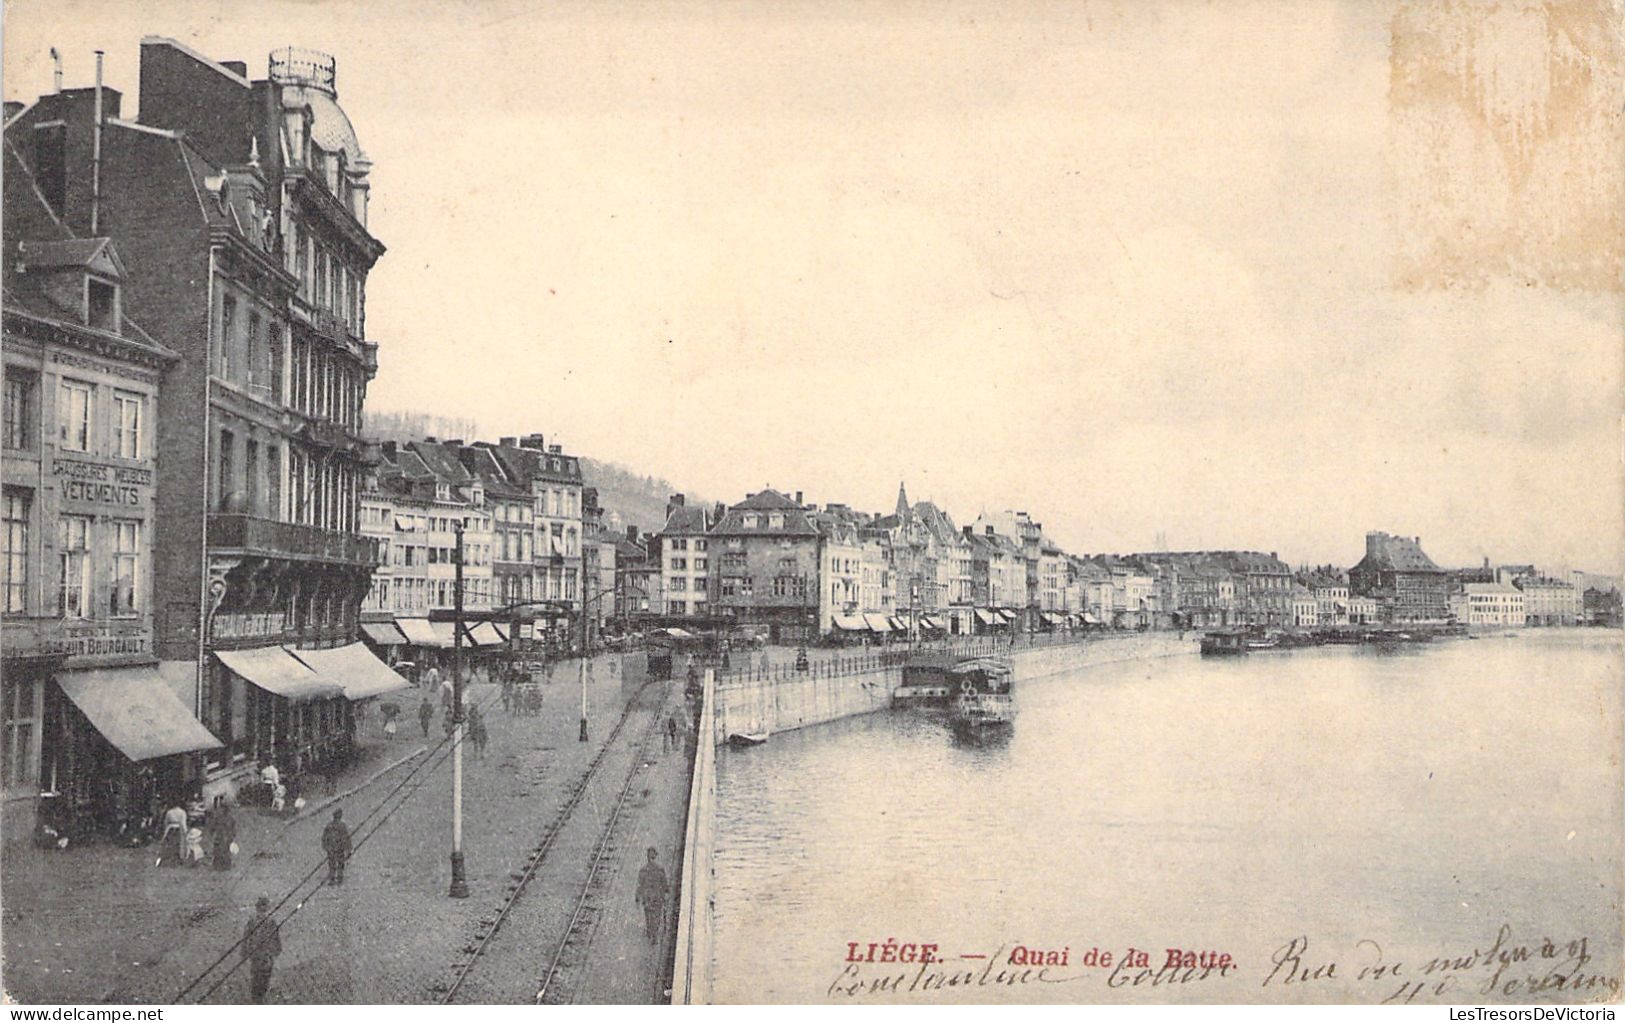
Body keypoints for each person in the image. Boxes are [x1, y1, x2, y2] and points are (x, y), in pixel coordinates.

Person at [242, 896, 282, 1004]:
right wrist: (277, 950)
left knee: (256, 975)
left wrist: (245, 951)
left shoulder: (252, 920)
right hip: (266, 954)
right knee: (265, 975)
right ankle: (261, 996)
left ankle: (256, 998)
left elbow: (246, 936)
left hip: (256, 954)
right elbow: (276, 937)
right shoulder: (270, 921)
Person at [635, 847, 668, 943]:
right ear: (655, 857)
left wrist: (637, 897)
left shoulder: (643, 870)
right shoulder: (660, 869)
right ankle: (655, 933)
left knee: (648, 914)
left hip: (647, 897)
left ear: (647, 857)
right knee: (657, 915)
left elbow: (640, 885)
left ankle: (650, 930)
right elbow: (665, 884)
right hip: (658, 896)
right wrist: (666, 893)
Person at [321, 808, 352, 886]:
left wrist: (326, 846)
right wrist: (348, 849)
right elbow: (346, 838)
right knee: (340, 863)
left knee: (332, 863)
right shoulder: (342, 826)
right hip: (338, 847)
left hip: (331, 848)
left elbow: (324, 838)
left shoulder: (329, 826)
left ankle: (333, 877)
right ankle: (338, 877)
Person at [209, 802, 237, 871]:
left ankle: (220, 866)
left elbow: (212, 828)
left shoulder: (219, 818)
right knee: (224, 852)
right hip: (224, 837)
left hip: (222, 837)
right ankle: (224, 866)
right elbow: (234, 830)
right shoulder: (229, 818)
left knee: (221, 852)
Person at [158, 802, 187, 867]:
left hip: (170, 828)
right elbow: (183, 822)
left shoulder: (169, 812)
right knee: (178, 844)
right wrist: (185, 831)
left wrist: (166, 830)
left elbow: (166, 822)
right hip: (178, 828)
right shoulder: (182, 812)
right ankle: (176, 858)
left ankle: (171, 858)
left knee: (170, 844)